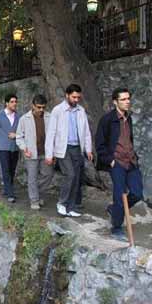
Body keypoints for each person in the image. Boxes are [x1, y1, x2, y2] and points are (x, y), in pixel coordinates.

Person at [95, 87, 143, 242]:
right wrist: (110, 160)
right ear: (115, 102)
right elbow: (100, 144)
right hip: (117, 163)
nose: (127, 102)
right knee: (119, 194)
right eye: (123, 99)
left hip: (131, 161)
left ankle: (115, 210)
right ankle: (116, 227)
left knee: (137, 193)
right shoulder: (107, 120)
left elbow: (129, 139)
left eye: (128, 98)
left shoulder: (128, 118)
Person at [45, 84, 93, 217]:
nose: (76, 100)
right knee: (70, 175)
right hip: (63, 149)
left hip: (77, 148)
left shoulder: (81, 111)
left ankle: (71, 207)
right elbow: (51, 133)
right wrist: (49, 154)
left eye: (78, 97)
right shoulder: (58, 110)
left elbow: (86, 131)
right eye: (74, 97)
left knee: (77, 178)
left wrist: (88, 149)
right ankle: (62, 203)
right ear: (67, 95)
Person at [16, 94, 54, 210]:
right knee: (32, 178)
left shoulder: (50, 116)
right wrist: (24, 148)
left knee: (48, 175)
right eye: (39, 107)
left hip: (46, 153)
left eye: (43, 107)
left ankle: (37, 194)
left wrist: (53, 152)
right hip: (30, 153)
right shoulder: (24, 119)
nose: (41, 110)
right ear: (33, 106)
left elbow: (54, 135)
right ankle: (34, 200)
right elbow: (19, 136)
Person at [0, 94, 21, 203]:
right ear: (6, 103)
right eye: (12, 101)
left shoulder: (18, 117)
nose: (14, 103)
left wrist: (16, 135)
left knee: (12, 171)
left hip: (15, 148)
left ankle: (6, 189)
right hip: (3, 148)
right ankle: (11, 194)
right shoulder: (0, 116)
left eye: (15, 101)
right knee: (6, 170)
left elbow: (22, 132)